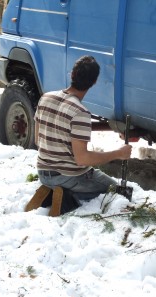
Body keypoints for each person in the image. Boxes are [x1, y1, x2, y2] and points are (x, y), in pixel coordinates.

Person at [29, 55, 132, 215]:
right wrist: (118, 154)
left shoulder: (45, 98)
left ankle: (51, 192)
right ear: (94, 82)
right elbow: (82, 159)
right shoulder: (80, 113)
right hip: (69, 177)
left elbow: (37, 140)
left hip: (43, 172)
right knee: (113, 190)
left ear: (72, 74)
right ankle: (66, 198)